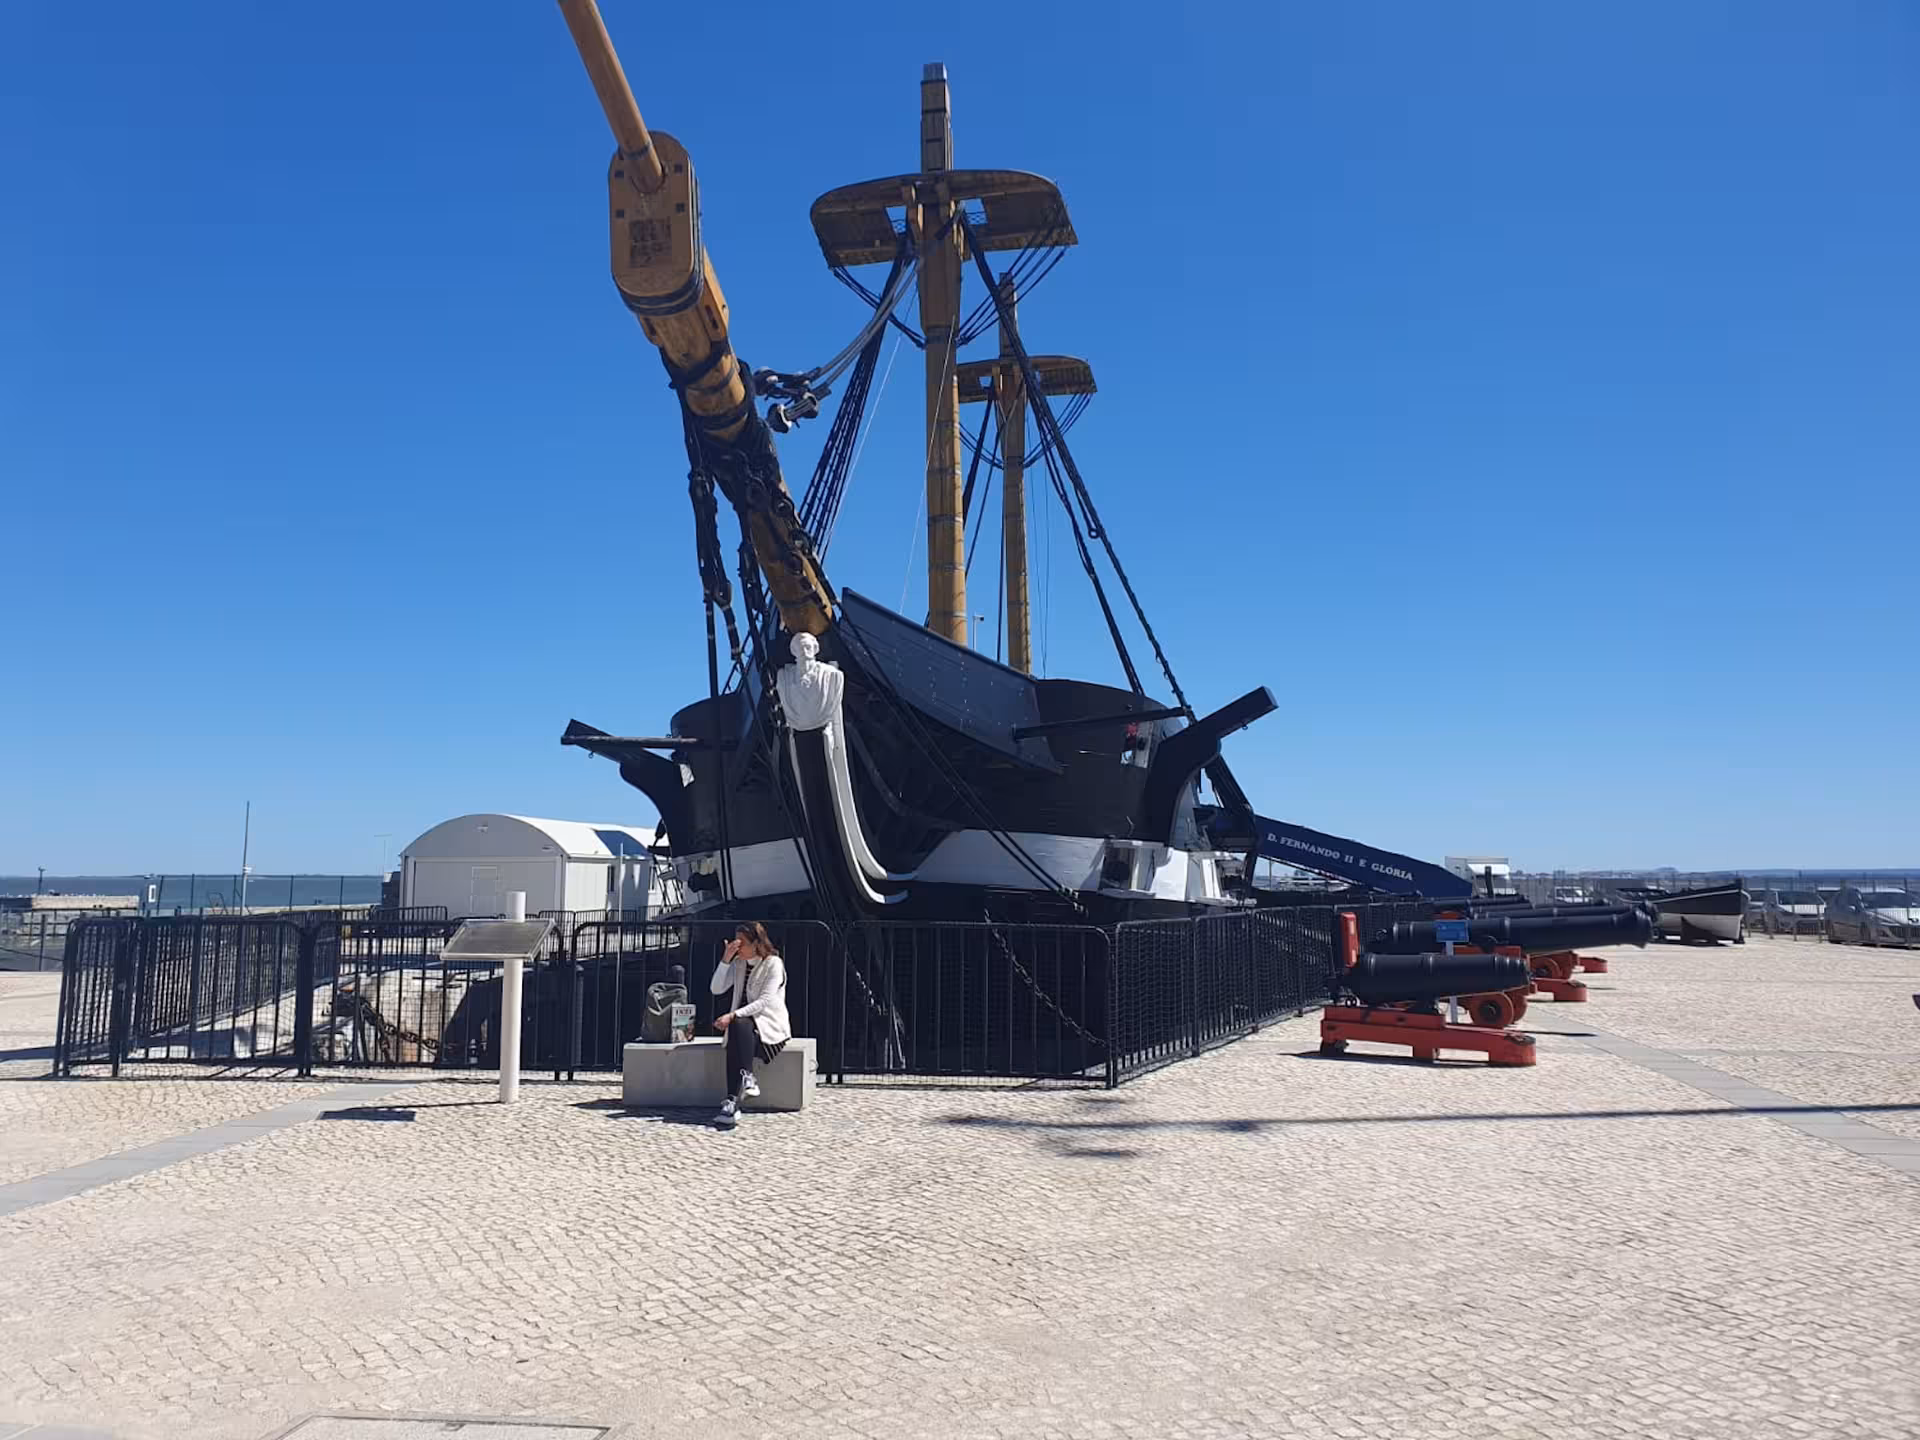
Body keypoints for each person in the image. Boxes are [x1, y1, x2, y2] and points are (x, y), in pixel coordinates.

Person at [709, 921, 790, 1128]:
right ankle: (744, 1082)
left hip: (768, 1031)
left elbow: (764, 1001)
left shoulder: (774, 964)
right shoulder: (739, 964)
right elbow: (716, 988)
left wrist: (732, 1015)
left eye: (741, 943)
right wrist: (726, 960)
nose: (737, 948)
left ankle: (731, 1102)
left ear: (756, 944)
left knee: (738, 1024)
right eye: (735, 943)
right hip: (744, 1031)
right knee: (738, 1028)